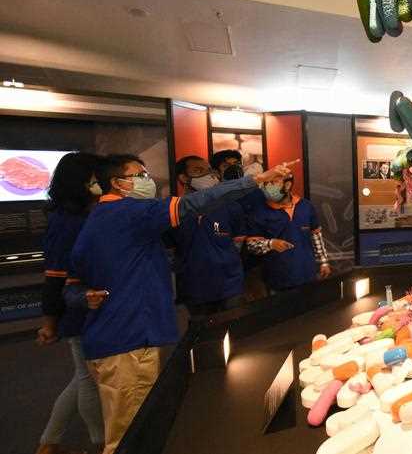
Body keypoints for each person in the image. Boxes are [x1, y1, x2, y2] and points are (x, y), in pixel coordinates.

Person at [64, 154, 294, 454]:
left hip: (110, 338)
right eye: (139, 175)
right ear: (118, 183)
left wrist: (85, 297)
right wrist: (255, 180)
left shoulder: (95, 220)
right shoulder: (130, 212)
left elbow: (72, 286)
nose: (147, 181)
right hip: (129, 340)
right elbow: (194, 203)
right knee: (132, 436)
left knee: (130, 428)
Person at [35, 152, 105, 454]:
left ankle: (49, 441)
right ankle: (101, 442)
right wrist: (49, 322)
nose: (101, 183)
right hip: (78, 307)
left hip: (93, 304)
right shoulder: (68, 222)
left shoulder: (87, 215)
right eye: (95, 179)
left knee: (82, 376)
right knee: (88, 379)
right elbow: (54, 277)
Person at [171, 155, 246, 319]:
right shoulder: (173, 211)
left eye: (209, 170)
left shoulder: (231, 206)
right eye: (198, 171)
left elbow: (239, 240)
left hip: (229, 285)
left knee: (234, 329)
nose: (208, 175)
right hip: (194, 287)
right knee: (201, 331)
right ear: (184, 178)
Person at [246, 172, 332, 292]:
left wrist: (323, 262)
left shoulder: (306, 206)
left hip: (307, 275)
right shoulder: (260, 211)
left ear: (287, 185)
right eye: (266, 183)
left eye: (273, 182)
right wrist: (271, 244)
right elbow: (251, 246)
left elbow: (316, 236)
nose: (268, 186)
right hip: (277, 279)